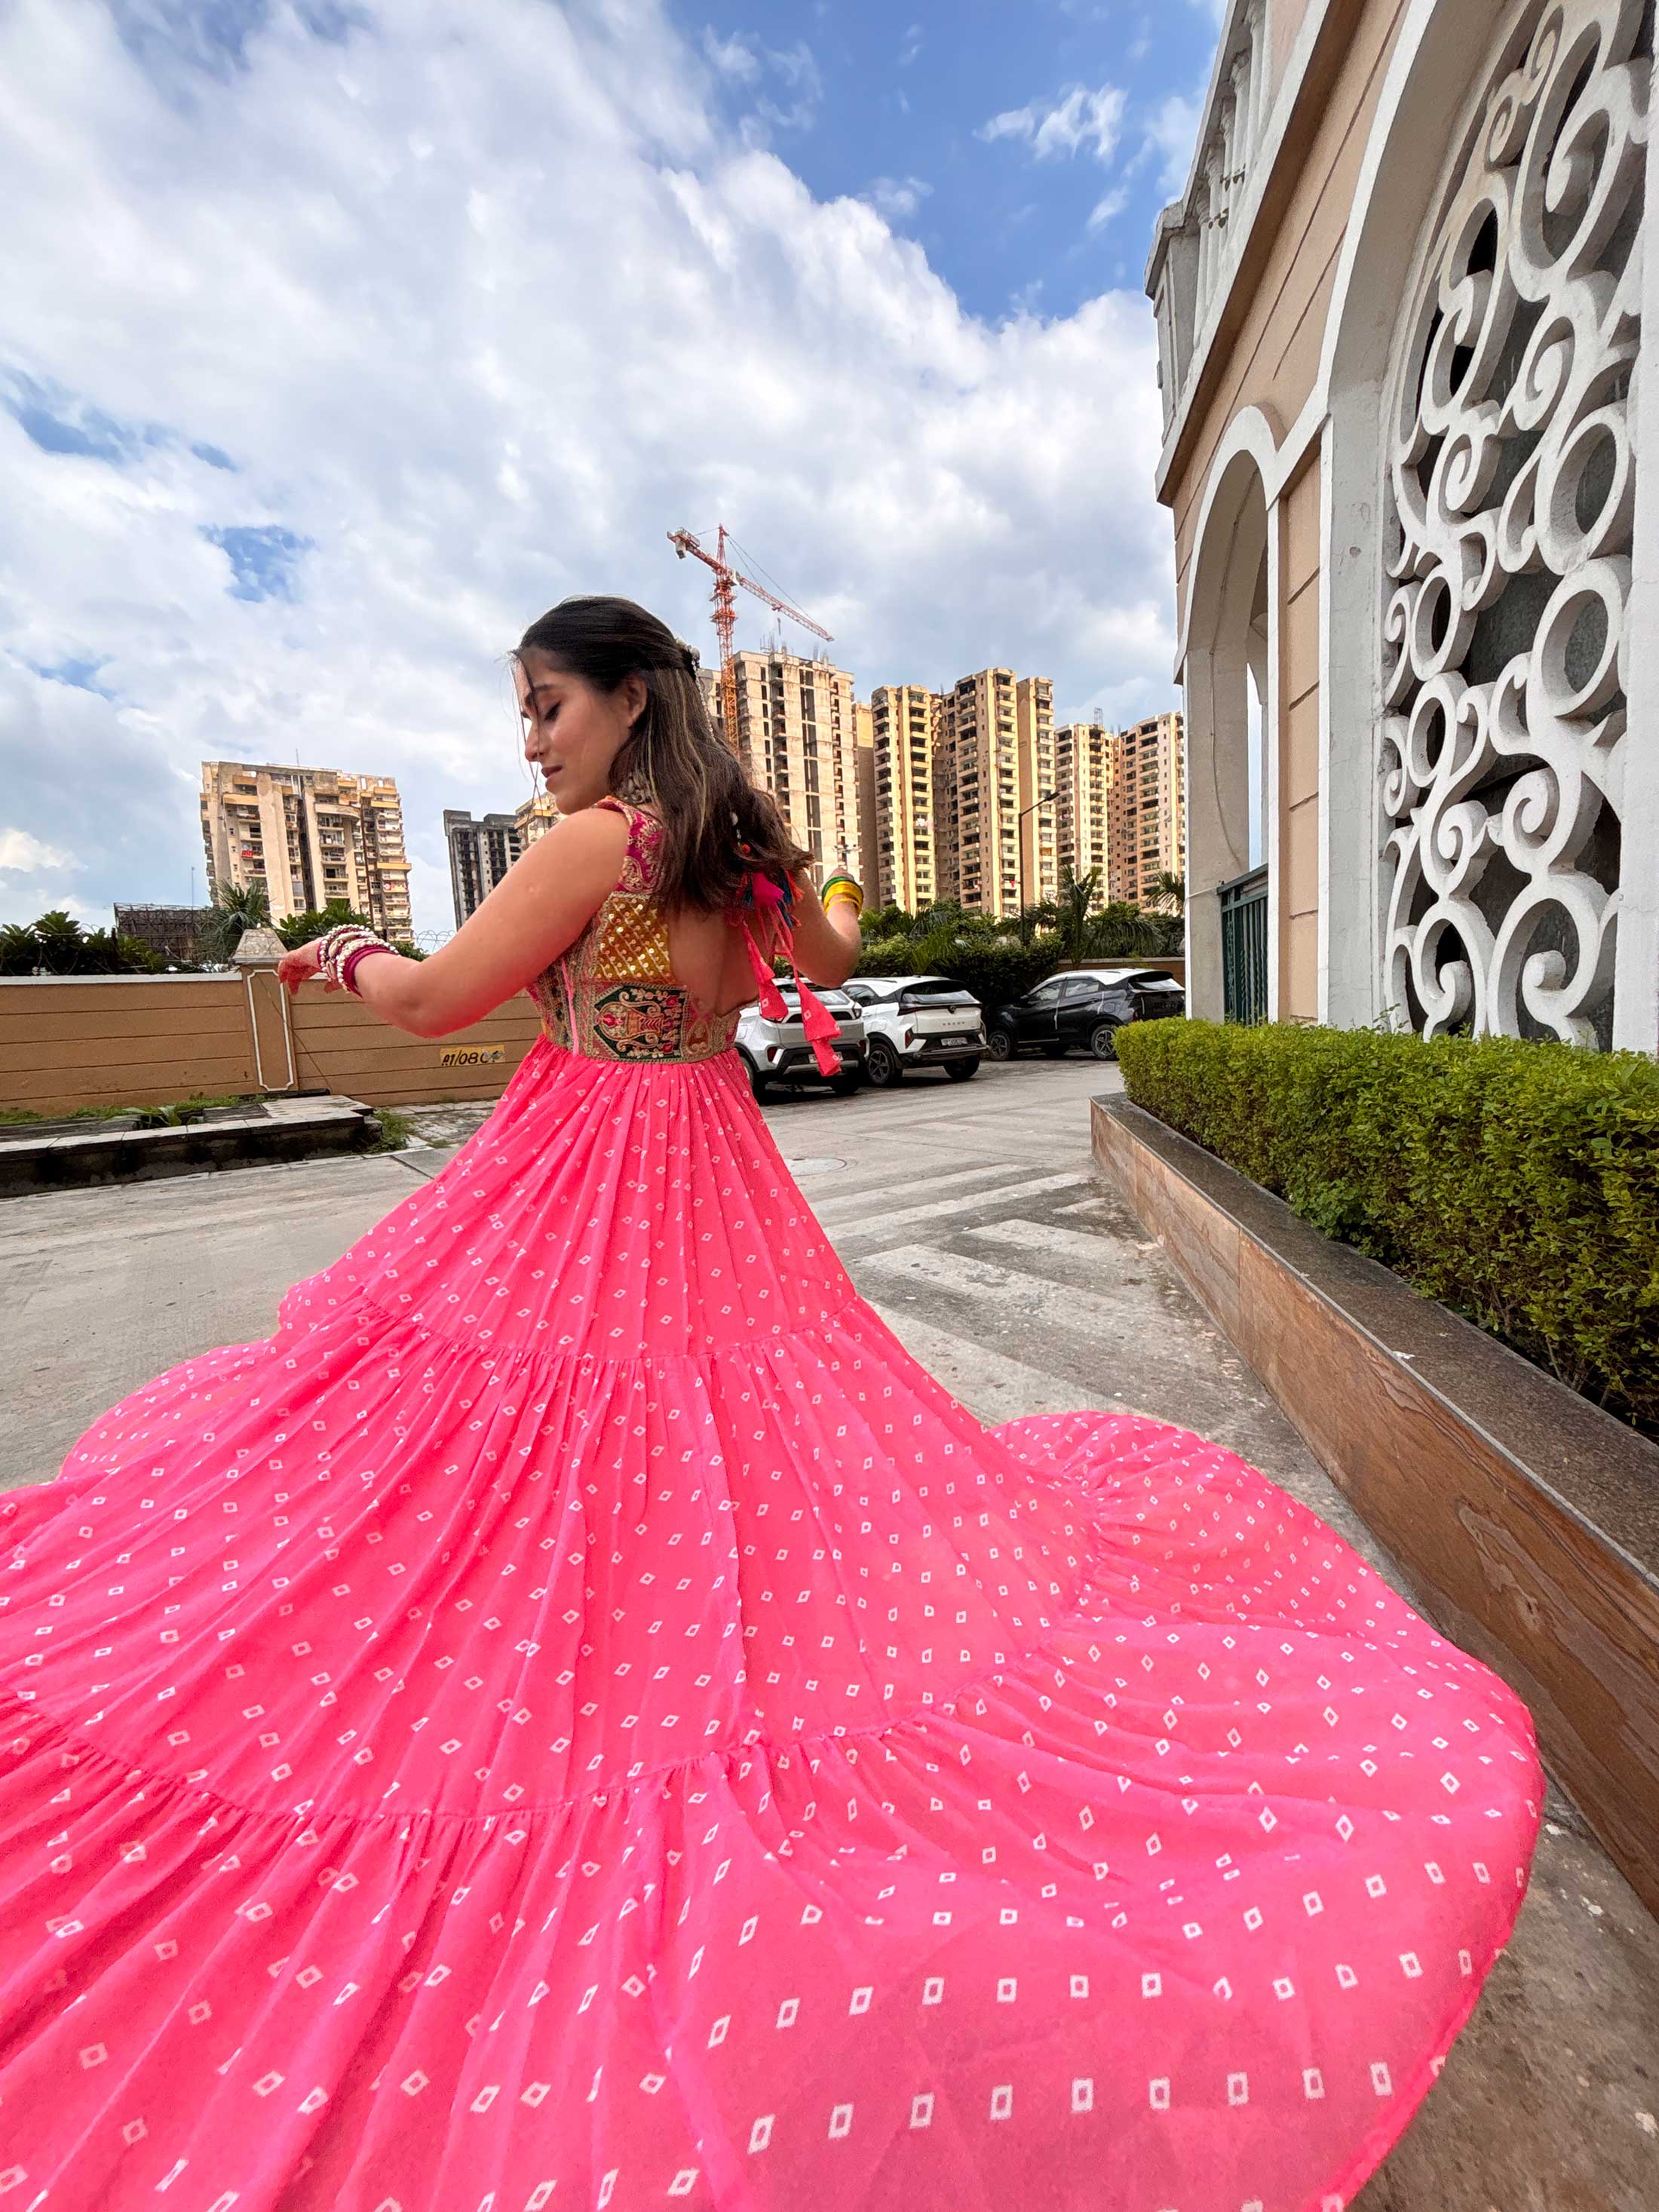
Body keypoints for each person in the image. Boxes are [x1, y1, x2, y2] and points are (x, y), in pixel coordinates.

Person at [0, 594, 1541, 2210]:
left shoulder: (597, 845)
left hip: (584, 1172)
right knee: (715, 1437)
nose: (529, 738)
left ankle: (599, 1663)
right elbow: (833, 959)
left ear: (624, 700)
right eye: (523, 711)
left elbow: (439, 1000)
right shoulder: (742, 853)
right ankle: (670, 1645)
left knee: (525, 1446)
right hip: (712, 1168)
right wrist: (826, 883)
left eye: (544, 704)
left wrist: (345, 954)